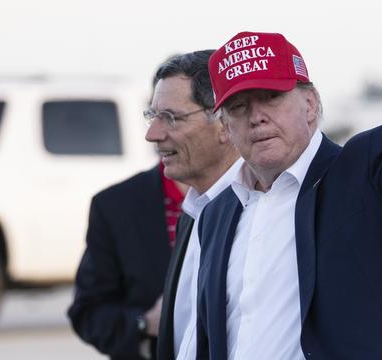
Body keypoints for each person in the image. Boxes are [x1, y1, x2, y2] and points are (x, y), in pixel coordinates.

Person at [195, 17, 382, 359]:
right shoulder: (216, 214)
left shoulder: (368, 166)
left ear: (310, 104)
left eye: (271, 97)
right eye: (239, 107)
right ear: (225, 126)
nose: (256, 116)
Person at [145, 51, 242, 360]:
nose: (153, 134)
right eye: (152, 116)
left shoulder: (259, 215)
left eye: (171, 118)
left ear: (224, 123)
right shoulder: (195, 211)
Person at [67, 162, 184, 360]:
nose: (155, 135)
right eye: (150, 127)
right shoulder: (116, 204)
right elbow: (88, 313)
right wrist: (144, 322)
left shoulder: (248, 191)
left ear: (222, 131)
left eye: (175, 127)